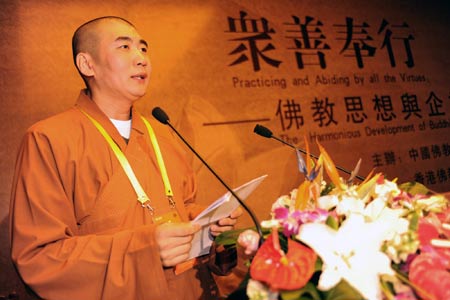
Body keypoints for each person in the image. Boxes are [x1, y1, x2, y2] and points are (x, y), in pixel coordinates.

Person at [9, 16, 242, 300]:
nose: (141, 59)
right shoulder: (48, 139)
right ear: (87, 64)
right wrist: (145, 250)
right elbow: (40, 258)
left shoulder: (163, 134)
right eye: (124, 47)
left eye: (143, 49)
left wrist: (208, 227)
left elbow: (180, 206)